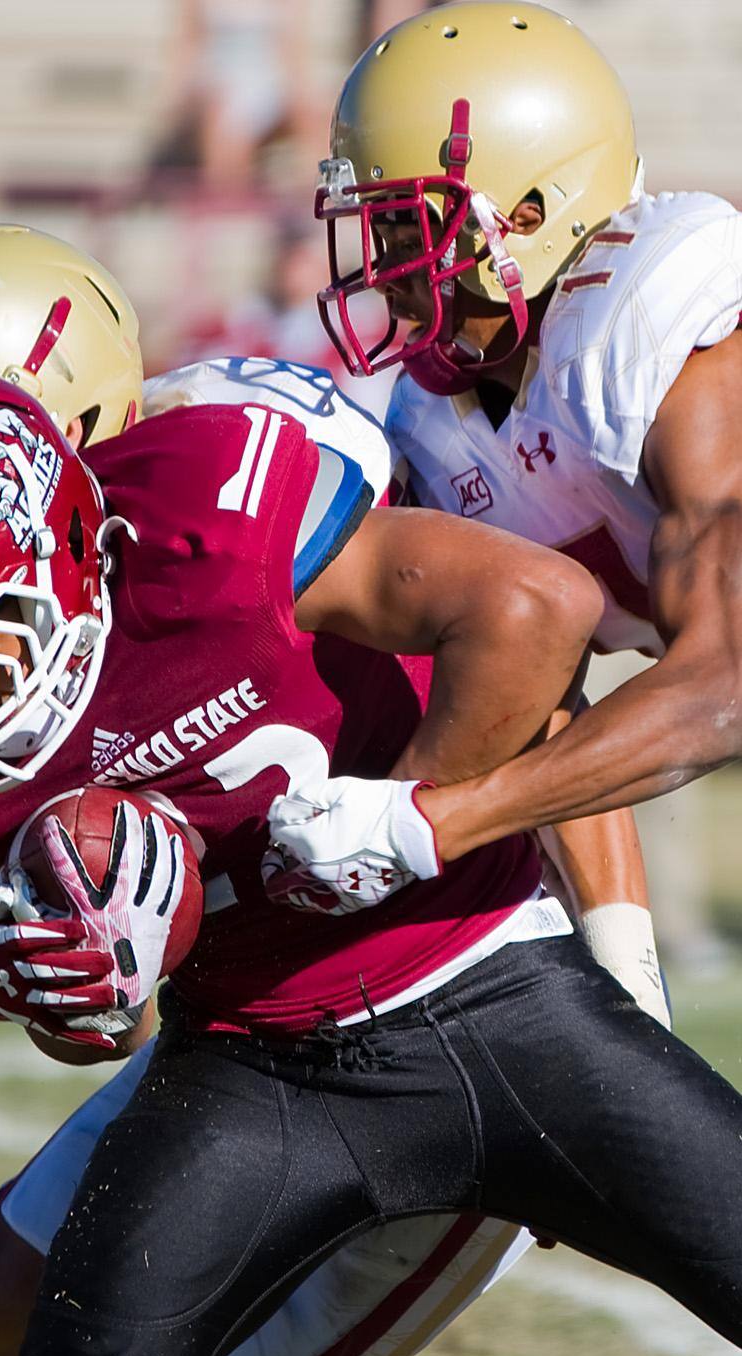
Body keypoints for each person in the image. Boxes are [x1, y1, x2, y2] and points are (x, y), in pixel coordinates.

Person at [0, 226, 652, 1356]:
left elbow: (538, 674)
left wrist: (620, 978)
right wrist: (4, 963)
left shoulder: (233, 485)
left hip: (441, 993)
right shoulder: (6, 620)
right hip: (247, 1025)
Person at [278, 0, 742, 908]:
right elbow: (535, 699)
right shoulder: (439, 412)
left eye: (412, 228)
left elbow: (725, 681)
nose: (383, 269)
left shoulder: (666, 336)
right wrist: (621, 954)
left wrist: (434, 822)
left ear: (529, 212)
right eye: (378, 230)